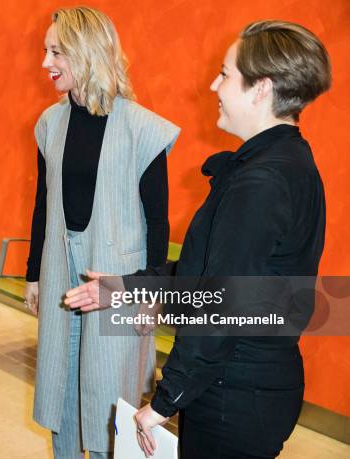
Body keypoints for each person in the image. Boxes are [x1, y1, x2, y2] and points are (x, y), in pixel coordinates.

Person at [65, 20, 331, 458]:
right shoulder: (289, 160)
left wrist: (166, 401)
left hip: (234, 393)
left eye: (225, 74)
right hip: (248, 385)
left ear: (260, 88)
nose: (214, 85)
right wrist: (125, 288)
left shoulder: (262, 181)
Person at [26, 6, 180, 457]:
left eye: (56, 51)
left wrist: (150, 296)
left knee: (114, 399)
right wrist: (34, 274)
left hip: (119, 284)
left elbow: (158, 220)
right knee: (61, 387)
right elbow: (43, 205)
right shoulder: (49, 125)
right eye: (45, 51)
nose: (46, 63)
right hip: (61, 273)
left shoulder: (143, 129)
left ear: (86, 52)